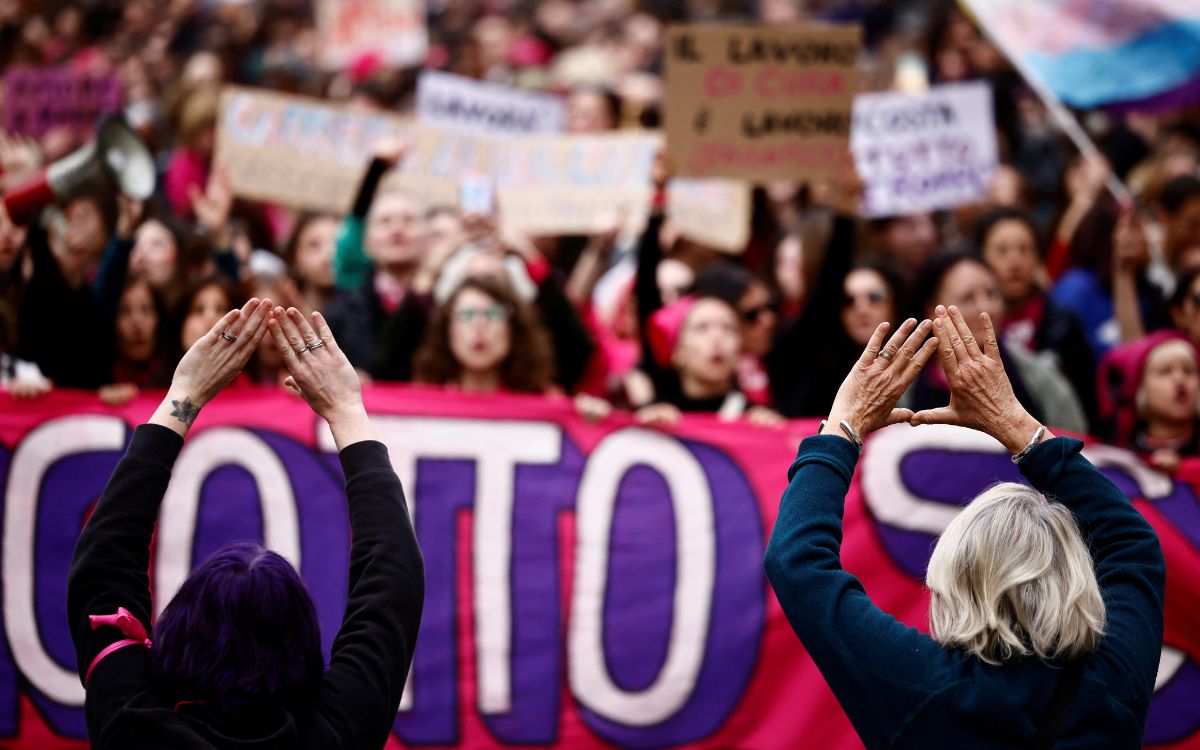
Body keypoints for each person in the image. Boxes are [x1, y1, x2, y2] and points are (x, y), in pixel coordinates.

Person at [765, 306, 1164, 748]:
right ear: (1076, 574)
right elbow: (1131, 544)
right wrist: (1015, 424)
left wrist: (845, 425)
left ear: (951, 581)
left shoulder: (922, 688)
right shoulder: (1115, 679)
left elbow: (796, 564)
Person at [68, 297, 425, 748]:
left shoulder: (132, 724)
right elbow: (392, 583)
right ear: (300, 648)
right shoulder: (333, 733)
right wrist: (347, 412)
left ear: (177, 632)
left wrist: (183, 397)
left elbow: (103, 563)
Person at [903, 253, 1088, 434]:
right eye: (968, 298)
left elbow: (1076, 447)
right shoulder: (905, 388)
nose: (986, 307)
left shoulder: (1038, 377)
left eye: (992, 294)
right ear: (931, 309)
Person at [975, 206, 1099, 431]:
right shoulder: (972, 329)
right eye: (1002, 251)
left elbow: (1088, 404)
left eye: (1025, 250)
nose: (1015, 262)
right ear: (980, 259)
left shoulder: (1064, 326)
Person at [412, 276, 555, 394]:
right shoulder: (422, 400)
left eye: (492, 314)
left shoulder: (545, 401)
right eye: (467, 315)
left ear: (513, 328)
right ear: (447, 330)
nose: (479, 326)